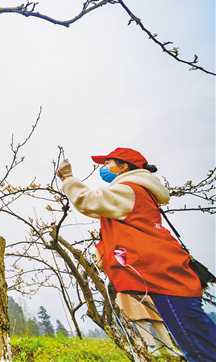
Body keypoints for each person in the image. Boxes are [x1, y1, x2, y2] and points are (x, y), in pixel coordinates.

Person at [57, 147, 216, 361]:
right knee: (199, 336)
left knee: (197, 348)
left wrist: (68, 178)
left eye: (108, 163)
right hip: (170, 273)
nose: (104, 168)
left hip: (164, 277)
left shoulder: (129, 189)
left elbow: (90, 201)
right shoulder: (140, 190)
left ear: (124, 167)